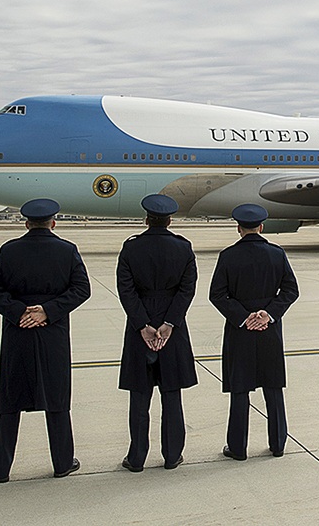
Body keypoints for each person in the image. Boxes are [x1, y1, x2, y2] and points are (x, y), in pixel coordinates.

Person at [0, 198, 90, 482]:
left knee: (10, 400)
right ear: (53, 222)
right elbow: (81, 289)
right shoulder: (67, 250)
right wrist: (47, 311)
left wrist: (18, 312)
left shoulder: (9, 250)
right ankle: (63, 462)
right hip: (52, 333)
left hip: (18, 331)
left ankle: (1, 468)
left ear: (26, 223)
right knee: (57, 399)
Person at [209, 203, 299, 460]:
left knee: (240, 389)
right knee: (273, 388)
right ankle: (278, 443)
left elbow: (217, 295)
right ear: (261, 227)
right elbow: (291, 290)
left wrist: (243, 316)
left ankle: (237, 448)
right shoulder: (276, 253)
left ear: (239, 228)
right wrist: (268, 314)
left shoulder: (228, 256)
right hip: (269, 330)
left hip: (240, 332)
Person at [116, 194, 198, 472]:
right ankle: (172, 455)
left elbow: (125, 290)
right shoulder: (183, 248)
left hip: (140, 327)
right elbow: (187, 289)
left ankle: (136, 458)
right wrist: (170, 323)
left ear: (147, 219)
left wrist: (142, 325)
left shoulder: (131, 248)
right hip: (171, 328)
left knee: (139, 397)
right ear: (170, 220)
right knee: (171, 394)